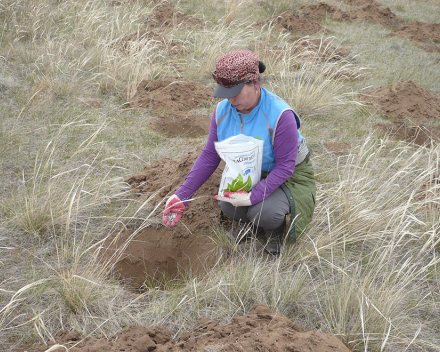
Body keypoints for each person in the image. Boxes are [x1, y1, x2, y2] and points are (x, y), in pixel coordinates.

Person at [162, 50, 316, 254]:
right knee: (228, 203)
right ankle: (251, 227)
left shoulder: (280, 115)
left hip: (289, 176)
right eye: (226, 94)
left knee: (264, 212)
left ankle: (274, 236)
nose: (231, 100)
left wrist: (253, 197)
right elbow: (210, 155)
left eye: (236, 93)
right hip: (249, 170)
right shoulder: (222, 112)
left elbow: (286, 167)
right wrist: (181, 195)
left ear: (255, 83)